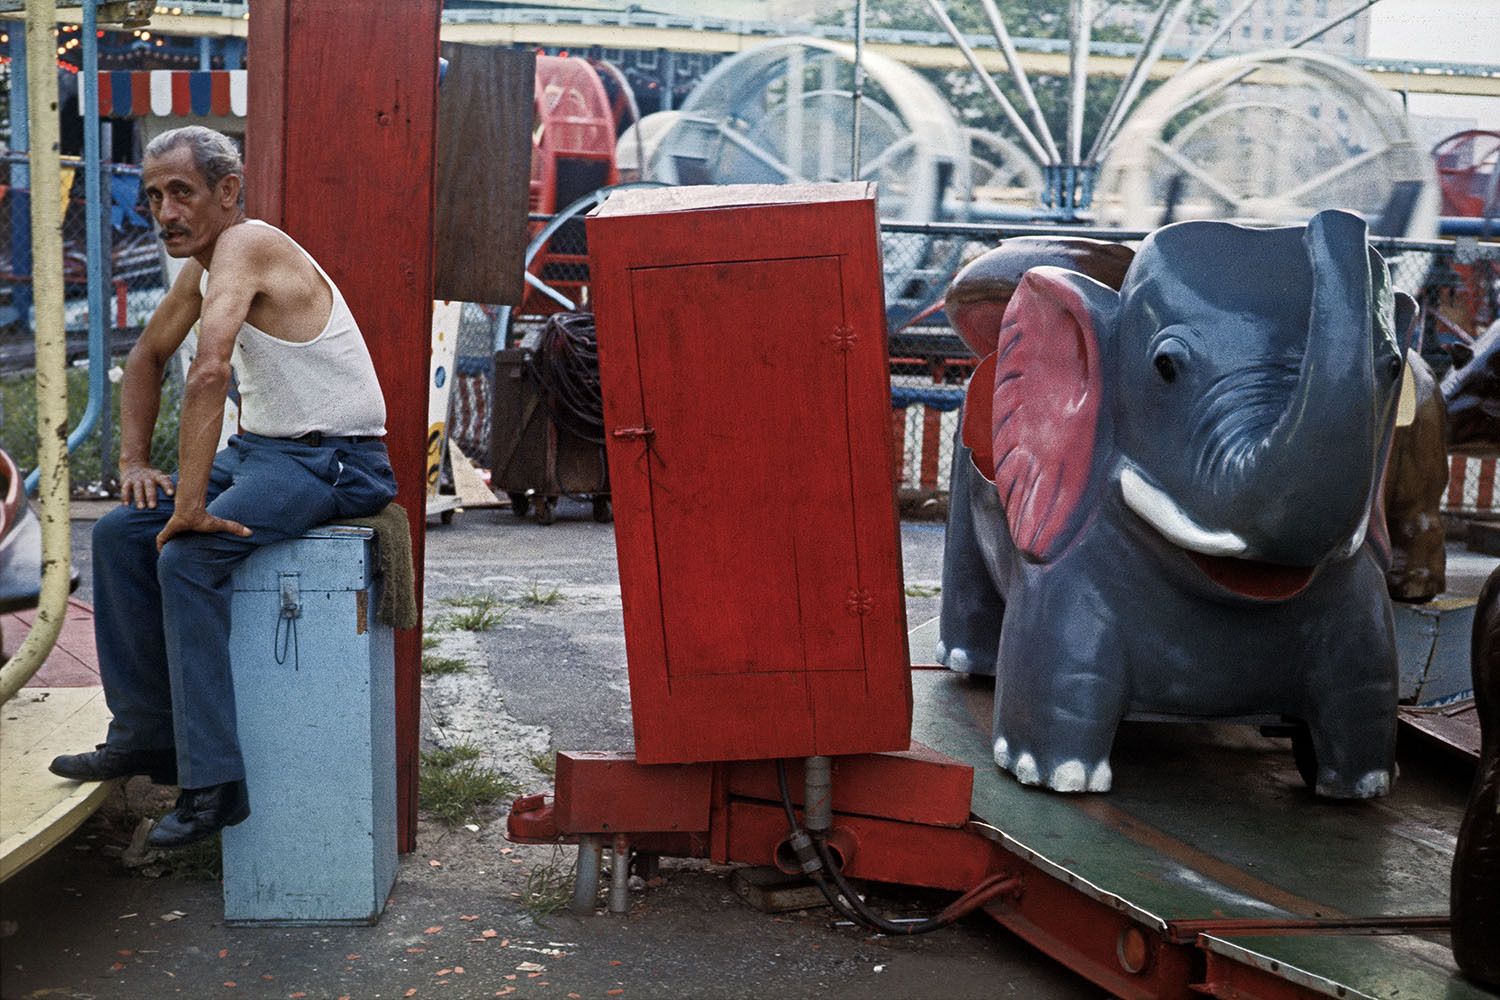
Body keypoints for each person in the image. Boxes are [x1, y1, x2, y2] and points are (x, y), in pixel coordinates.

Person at [49, 126, 398, 849]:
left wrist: (190, 506)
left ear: (227, 190)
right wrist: (134, 463)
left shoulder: (247, 244)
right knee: (118, 533)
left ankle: (213, 788)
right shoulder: (202, 268)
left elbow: (209, 371)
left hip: (334, 456)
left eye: (181, 192)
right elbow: (146, 357)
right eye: (153, 197)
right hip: (264, 450)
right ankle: (146, 736)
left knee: (187, 557)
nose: (165, 212)